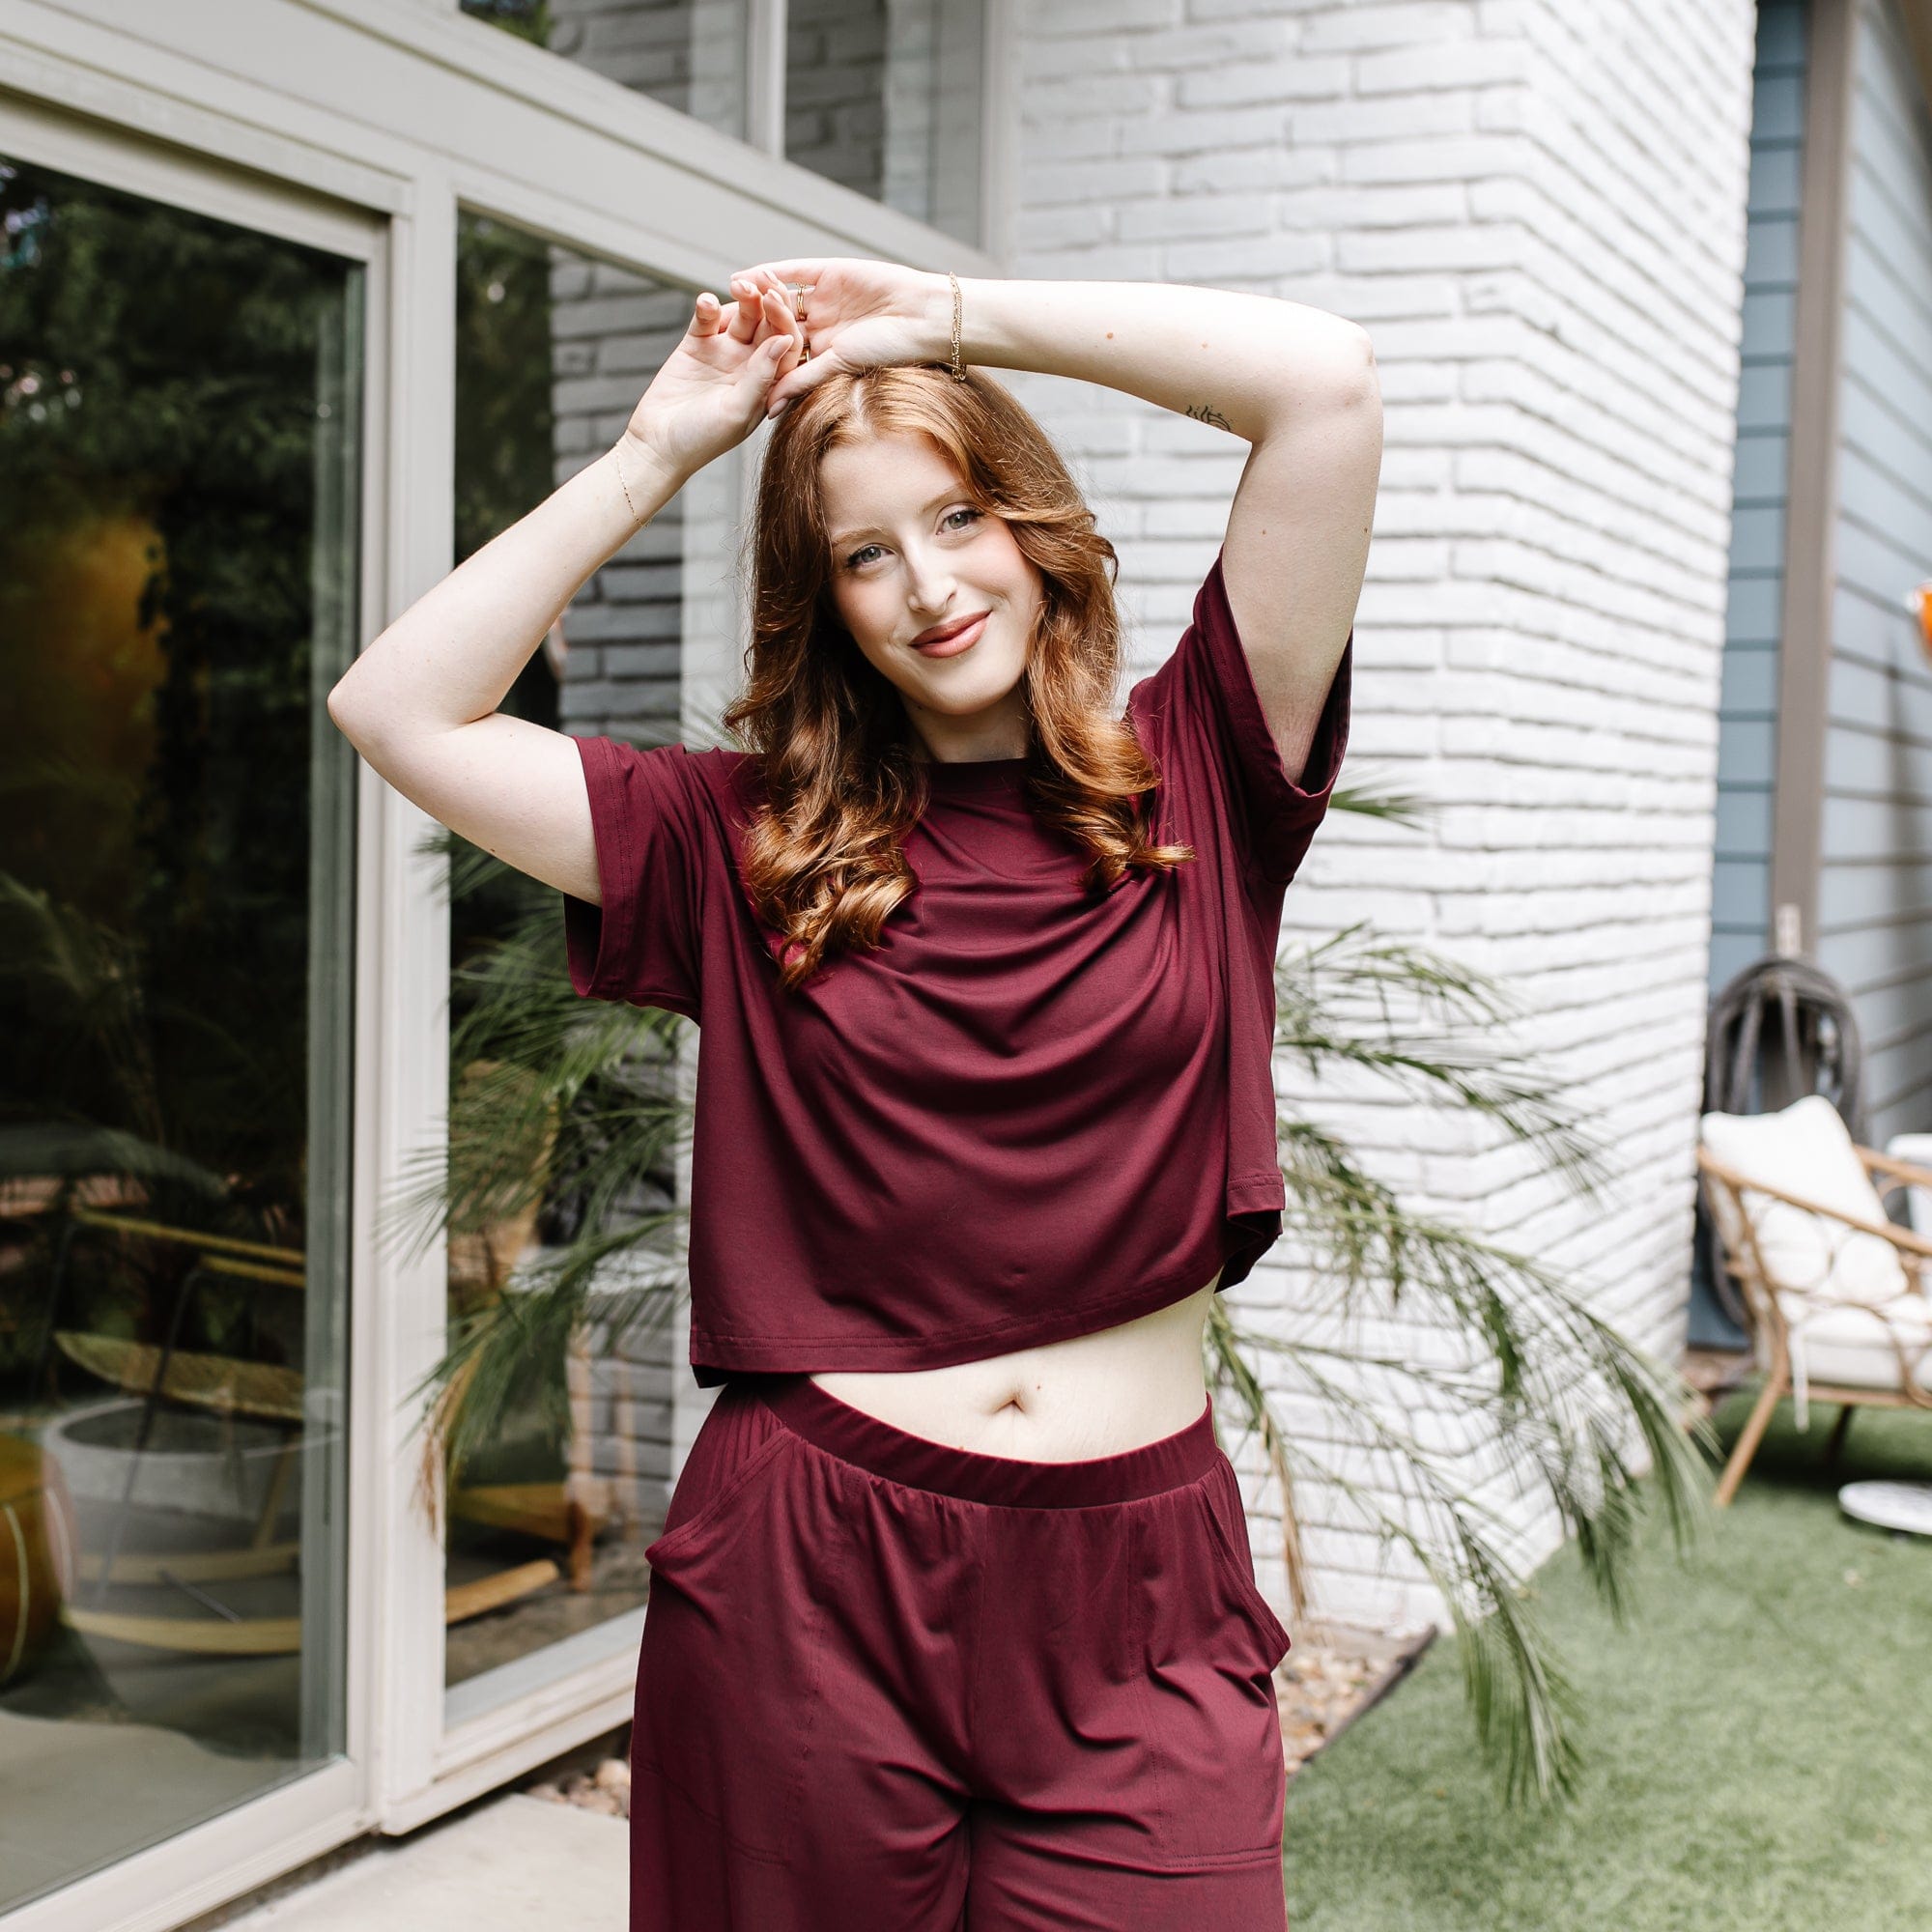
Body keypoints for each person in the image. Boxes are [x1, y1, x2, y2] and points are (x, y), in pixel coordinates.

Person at [329, 259, 1379, 1930]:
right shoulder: (733, 842)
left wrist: (943, 315)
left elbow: (1318, 383)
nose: (928, 586)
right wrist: (658, 449)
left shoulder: (1205, 774)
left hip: (1140, 1580)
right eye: (864, 554)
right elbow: (394, 705)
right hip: (808, 1568)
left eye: (958, 518)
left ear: (1032, 531)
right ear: (825, 606)